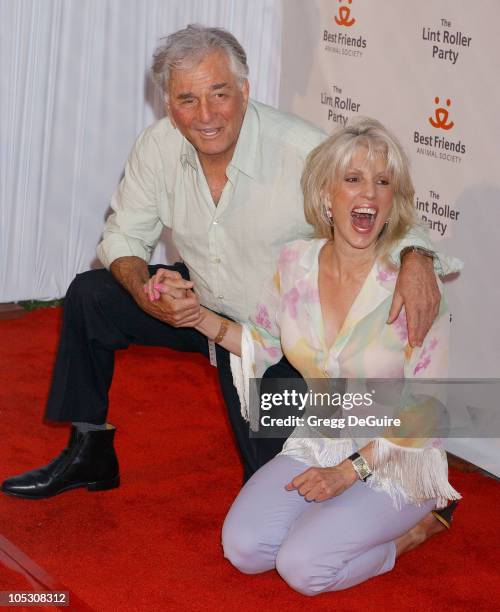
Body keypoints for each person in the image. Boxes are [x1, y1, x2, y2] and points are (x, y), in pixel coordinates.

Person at [1, 25, 458, 500]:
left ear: (244, 90)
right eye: (186, 100)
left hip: (273, 338)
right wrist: (146, 292)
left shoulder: (300, 150)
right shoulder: (158, 146)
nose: (205, 116)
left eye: (219, 94)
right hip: (200, 309)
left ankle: (420, 502)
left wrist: (417, 255)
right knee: (91, 295)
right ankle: (89, 450)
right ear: (167, 102)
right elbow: (122, 235)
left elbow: (378, 203)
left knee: (278, 492)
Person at [147, 117, 461, 594]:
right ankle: (342, 521)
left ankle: (413, 533)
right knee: (246, 550)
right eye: (353, 180)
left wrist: (347, 472)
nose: (369, 195)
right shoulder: (295, 263)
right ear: (326, 196)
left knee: (303, 568)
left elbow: (428, 413)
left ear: (394, 201)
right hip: (318, 439)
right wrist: (196, 318)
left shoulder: (413, 285)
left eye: (383, 183)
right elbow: (262, 343)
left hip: (399, 456)